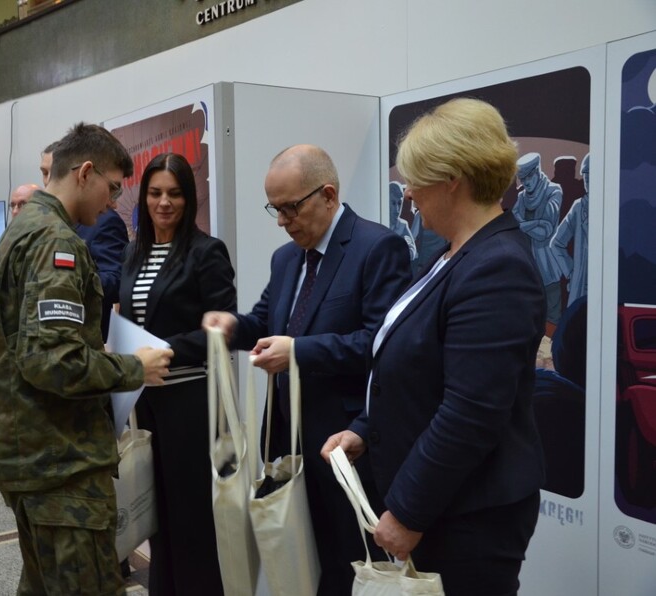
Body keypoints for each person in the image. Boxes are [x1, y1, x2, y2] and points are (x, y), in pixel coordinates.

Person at [321, 98, 547, 596]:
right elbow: (415, 371)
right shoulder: (453, 254)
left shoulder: (497, 268)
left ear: (453, 181)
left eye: (416, 182)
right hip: (443, 503)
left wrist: (407, 510)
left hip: (468, 516)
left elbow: (470, 412)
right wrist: (364, 430)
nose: (410, 196)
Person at [0, 122, 173, 596]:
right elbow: (51, 361)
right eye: (112, 188)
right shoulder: (56, 242)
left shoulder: (23, 229)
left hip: (30, 454)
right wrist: (131, 368)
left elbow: (28, 344)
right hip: (58, 462)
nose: (112, 203)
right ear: (85, 172)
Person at [204, 144, 412, 595]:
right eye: (274, 209)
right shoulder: (287, 258)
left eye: (290, 207)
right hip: (291, 446)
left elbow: (382, 344)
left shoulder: (377, 248)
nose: (282, 221)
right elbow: (266, 321)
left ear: (329, 195)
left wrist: (298, 352)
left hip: (349, 449)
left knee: (353, 568)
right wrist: (231, 326)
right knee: (304, 568)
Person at [119, 153, 236, 595]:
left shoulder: (207, 252)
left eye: (174, 193)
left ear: (188, 198)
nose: (164, 203)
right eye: (154, 193)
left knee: (192, 518)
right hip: (145, 401)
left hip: (190, 404)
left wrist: (161, 350)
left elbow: (222, 329)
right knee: (155, 514)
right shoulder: (134, 252)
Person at [42, 144, 129, 341]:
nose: (48, 180)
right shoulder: (47, 229)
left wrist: (73, 283)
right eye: (45, 173)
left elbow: (115, 280)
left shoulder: (104, 221)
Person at [512, 151, 563, 326]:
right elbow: (513, 224)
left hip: (548, 270)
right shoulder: (521, 197)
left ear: (537, 172)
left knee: (551, 323)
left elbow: (546, 232)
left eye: (528, 177)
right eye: (522, 178)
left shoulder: (553, 191)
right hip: (526, 271)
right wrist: (536, 222)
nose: (525, 183)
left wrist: (523, 224)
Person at [551, 153, 590, 308]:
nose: (589, 181)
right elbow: (557, 243)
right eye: (586, 176)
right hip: (581, 285)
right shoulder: (579, 206)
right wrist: (571, 272)